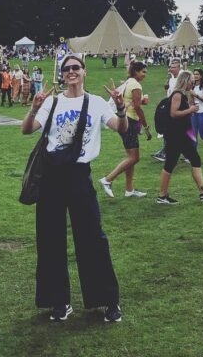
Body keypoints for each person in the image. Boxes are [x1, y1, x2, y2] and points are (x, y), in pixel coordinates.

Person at [21, 54, 127, 323]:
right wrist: (34, 108)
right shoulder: (53, 102)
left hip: (79, 176)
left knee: (92, 237)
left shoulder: (97, 103)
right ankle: (58, 302)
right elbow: (27, 129)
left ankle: (107, 300)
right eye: (66, 69)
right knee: (50, 239)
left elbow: (120, 128)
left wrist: (122, 109)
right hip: (51, 178)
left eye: (75, 68)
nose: (71, 72)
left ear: (84, 71)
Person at [156, 70, 203, 206]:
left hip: (180, 135)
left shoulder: (183, 95)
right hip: (175, 136)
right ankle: (162, 196)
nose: (193, 82)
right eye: (192, 80)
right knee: (170, 164)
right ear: (185, 81)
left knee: (193, 159)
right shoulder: (177, 95)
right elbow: (173, 113)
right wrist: (190, 111)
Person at [99, 60, 151, 199]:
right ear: (136, 72)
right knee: (134, 157)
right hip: (130, 122)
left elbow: (134, 103)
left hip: (127, 120)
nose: (145, 75)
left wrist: (141, 102)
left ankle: (129, 190)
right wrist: (146, 126)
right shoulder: (136, 85)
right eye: (143, 72)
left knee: (131, 157)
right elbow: (138, 108)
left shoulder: (129, 82)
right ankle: (107, 180)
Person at [152, 57, 181, 162]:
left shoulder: (181, 78)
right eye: (170, 67)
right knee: (167, 130)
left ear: (179, 68)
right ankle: (165, 151)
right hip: (169, 106)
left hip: (176, 108)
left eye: (173, 67)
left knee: (172, 132)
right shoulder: (172, 78)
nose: (171, 69)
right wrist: (168, 79)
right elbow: (166, 88)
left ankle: (167, 152)